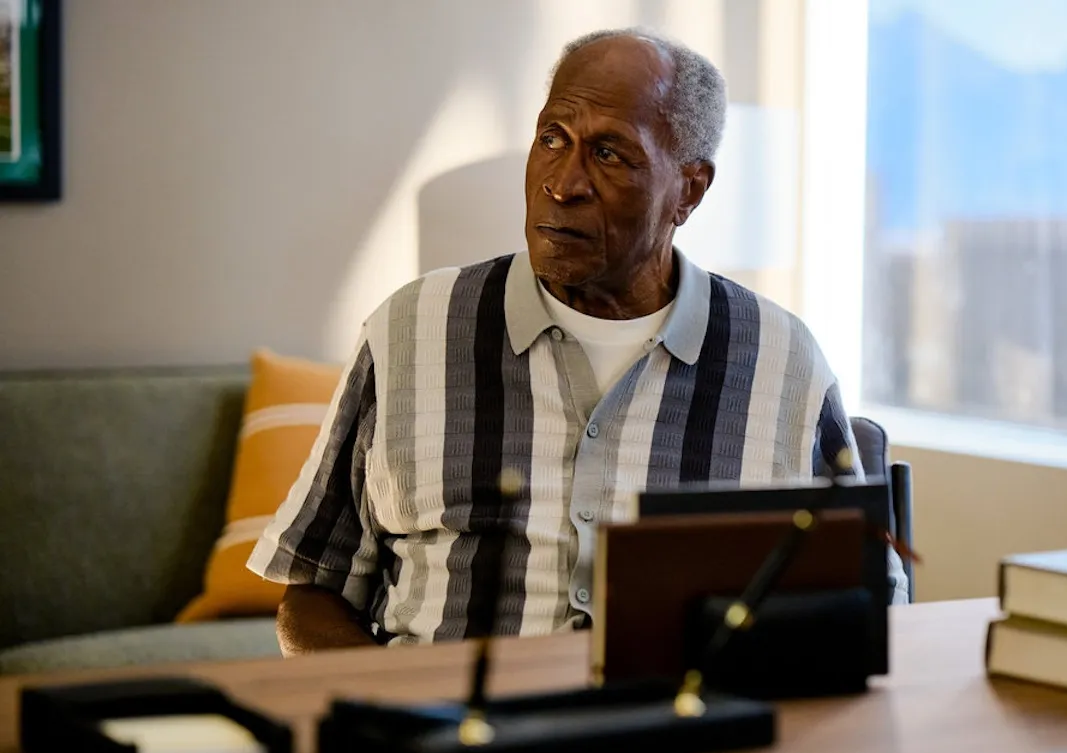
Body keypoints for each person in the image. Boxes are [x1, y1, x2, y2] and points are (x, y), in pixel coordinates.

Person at [247, 28, 908, 657]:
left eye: (610, 154)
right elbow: (310, 592)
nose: (562, 184)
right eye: (552, 139)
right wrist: (391, 718)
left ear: (689, 189)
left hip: (685, 752)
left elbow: (867, 603)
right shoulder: (409, 329)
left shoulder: (780, 360)